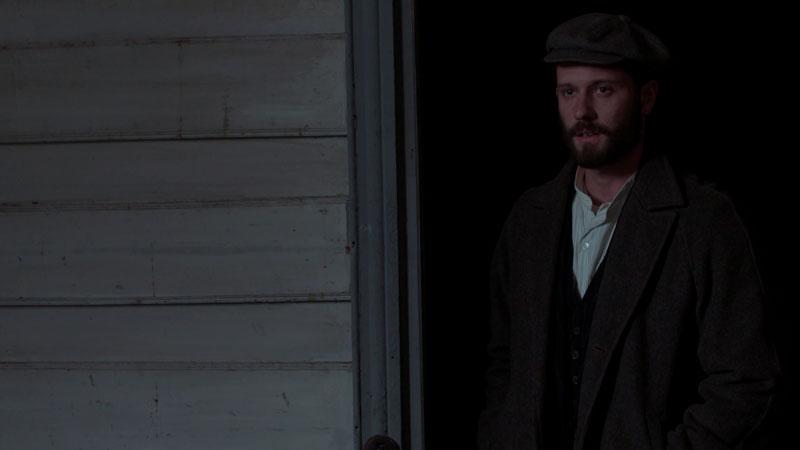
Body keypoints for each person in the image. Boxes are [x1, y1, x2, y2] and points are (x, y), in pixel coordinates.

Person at [477, 12, 780, 450]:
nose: (582, 111)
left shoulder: (702, 220)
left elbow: (746, 379)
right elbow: (502, 363)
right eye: (568, 91)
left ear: (646, 97)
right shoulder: (529, 219)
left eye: (603, 89)